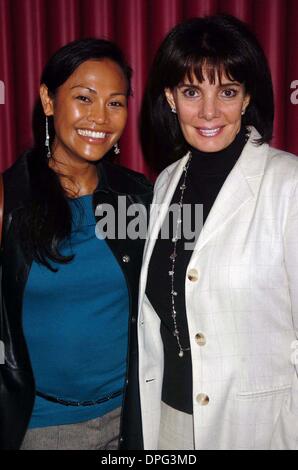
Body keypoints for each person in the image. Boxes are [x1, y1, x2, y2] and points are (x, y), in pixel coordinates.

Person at [134, 14, 298, 450]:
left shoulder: (288, 184)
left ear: (246, 99)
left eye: (227, 92)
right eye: (192, 92)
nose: (209, 112)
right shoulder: (167, 182)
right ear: (170, 97)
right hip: (167, 418)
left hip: (257, 428)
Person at [0, 38, 152, 450]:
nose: (100, 117)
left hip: (136, 418)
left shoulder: (138, 197)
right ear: (48, 101)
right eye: (84, 98)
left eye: (115, 102)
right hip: (45, 427)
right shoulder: (8, 201)